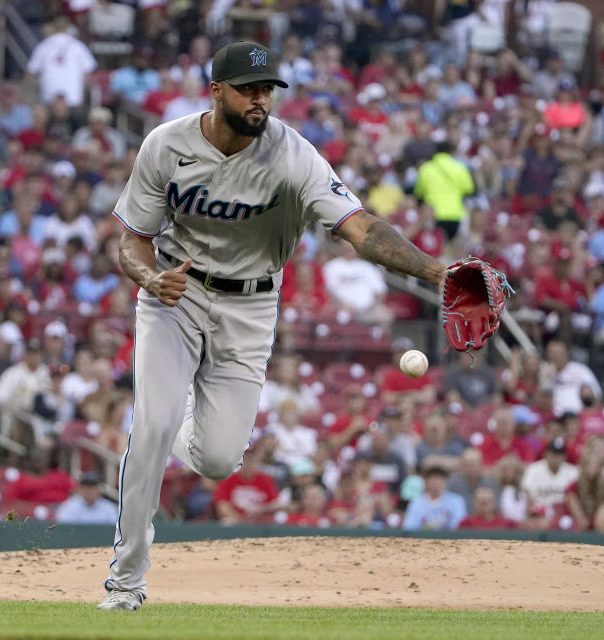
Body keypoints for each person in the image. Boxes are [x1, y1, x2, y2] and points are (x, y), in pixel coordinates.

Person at [98, 40, 449, 612]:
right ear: (217, 91)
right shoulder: (166, 145)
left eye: (268, 89)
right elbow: (132, 243)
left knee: (216, 461)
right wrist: (148, 277)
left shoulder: (294, 155)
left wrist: (438, 272)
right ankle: (126, 582)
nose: (261, 100)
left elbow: (361, 229)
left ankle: (183, 417)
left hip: (251, 307)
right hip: (173, 295)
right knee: (152, 428)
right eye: (249, 89)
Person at [402, 464, 467, 531]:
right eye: (432, 479)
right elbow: (409, 526)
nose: (435, 483)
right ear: (426, 481)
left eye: (439, 479)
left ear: (445, 481)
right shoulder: (417, 502)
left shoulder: (456, 501)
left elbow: (458, 525)